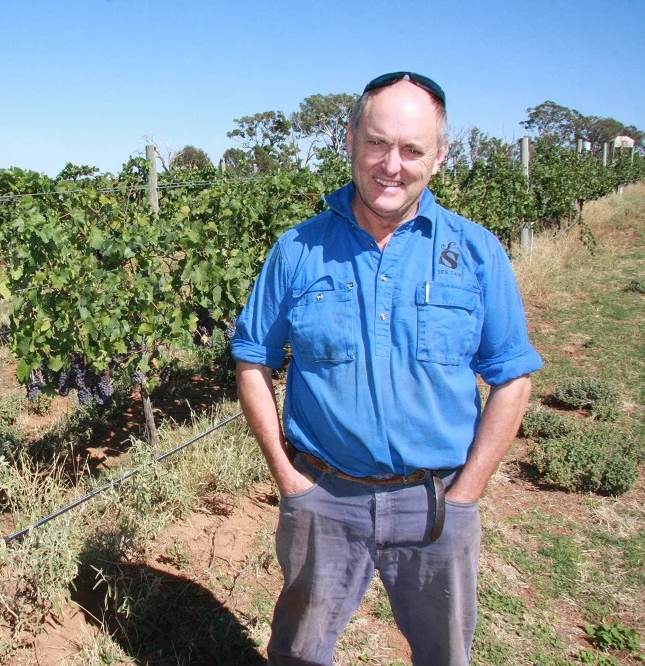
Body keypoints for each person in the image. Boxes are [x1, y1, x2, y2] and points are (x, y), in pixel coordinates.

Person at [231, 72, 542, 666]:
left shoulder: (476, 253)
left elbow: (512, 378)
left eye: (411, 149)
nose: (390, 165)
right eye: (376, 143)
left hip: (437, 505)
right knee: (299, 652)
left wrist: (468, 492)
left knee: (444, 654)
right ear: (349, 140)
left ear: (440, 156)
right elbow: (252, 361)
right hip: (324, 495)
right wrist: (288, 478)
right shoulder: (297, 250)